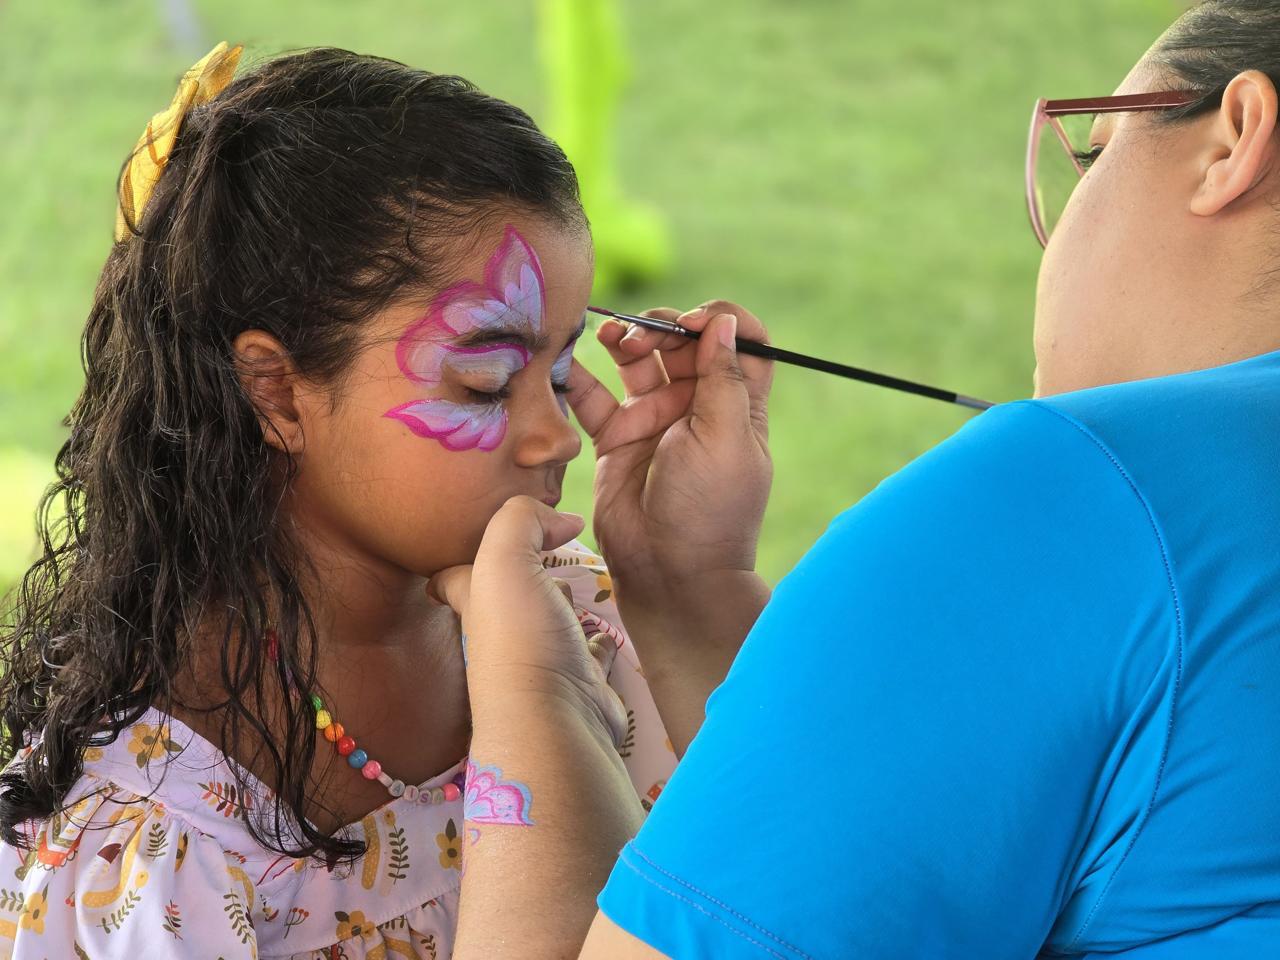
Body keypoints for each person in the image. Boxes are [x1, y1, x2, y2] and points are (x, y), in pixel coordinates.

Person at [431, 1, 1280, 956]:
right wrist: (689, 582)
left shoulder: (1065, 497)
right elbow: (895, 819)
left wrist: (533, 688)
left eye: (1091, 153)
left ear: (1232, 142)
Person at [0, 43, 675, 958]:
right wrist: (536, 699)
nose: (558, 436)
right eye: (485, 383)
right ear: (275, 391)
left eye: (560, 374)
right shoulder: (152, 837)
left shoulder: (575, 612)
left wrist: (691, 583)